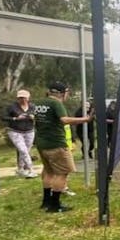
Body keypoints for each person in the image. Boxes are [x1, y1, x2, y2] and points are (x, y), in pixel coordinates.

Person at [34, 81, 93, 213]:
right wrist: (86, 119)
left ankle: (46, 202)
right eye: (67, 93)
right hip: (56, 143)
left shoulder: (39, 103)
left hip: (42, 143)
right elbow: (64, 120)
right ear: (62, 93)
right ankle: (55, 205)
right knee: (62, 173)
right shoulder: (56, 103)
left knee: (48, 171)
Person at [4, 89, 37, 178]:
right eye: (20, 98)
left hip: (29, 131)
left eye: (24, 98)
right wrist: (15, 118)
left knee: (26, 151)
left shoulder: (32, 106)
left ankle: (20, 169)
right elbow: (3, 117)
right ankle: (31, 170)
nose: (22, 100)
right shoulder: (12, 107)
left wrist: (33, 117)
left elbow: (37, 116)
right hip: (15, 131)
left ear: (28, 98)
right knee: (23, 150)